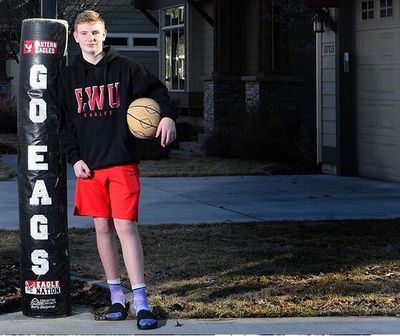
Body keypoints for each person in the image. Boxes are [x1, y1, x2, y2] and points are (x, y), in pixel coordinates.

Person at [58, 10, 177, 330]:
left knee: (126, 229)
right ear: (76, 37)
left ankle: (141, 301)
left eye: (95, 32)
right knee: (102, 229)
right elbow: (65, 125)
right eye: (84, 33)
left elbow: (157, 90)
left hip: (122, 162)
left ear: (104, 33)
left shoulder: (125, 68)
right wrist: (74, 158)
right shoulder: (68, 77)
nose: (90, 38)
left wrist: (166, 115)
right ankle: (115, 297)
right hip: (90, 168)